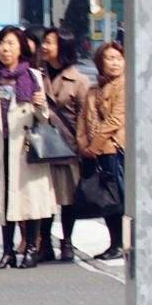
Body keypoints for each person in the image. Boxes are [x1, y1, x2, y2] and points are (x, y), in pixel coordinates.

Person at [0, 26, 55, 269]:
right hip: (0, 149)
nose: (5, 49)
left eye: (10, 44)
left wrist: (40, 105)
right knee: (3, 203)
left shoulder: (33, 77)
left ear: (21, 48)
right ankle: (8, 251)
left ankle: (31, 249)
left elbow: (44, 118)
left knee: (29, 202)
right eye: (1, 44)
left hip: (25, 149)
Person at [34, 25, 90, 263]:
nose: (44, 46)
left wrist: (84, 146)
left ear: (63, 47)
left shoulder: (79, 80)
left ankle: (67, 242)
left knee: (68, 198)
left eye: (50, 42)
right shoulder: (35, 75)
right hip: (42, 145)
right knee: (44, 197)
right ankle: (44, 243)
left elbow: (86, 116)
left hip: (68, 146)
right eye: (44, 42)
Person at [77, 42, 126, 260]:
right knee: (107, 200)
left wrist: (94, 146)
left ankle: (121, 244)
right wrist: (83, 146)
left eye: (118, 58)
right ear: (100, 63)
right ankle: (114, 243)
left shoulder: (125, 86)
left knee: (119, 199)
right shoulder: (93, 89)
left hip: (115, 150)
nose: (114, 63)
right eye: (109, 58)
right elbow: (82, 120)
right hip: (97, 153)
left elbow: (116, 120)